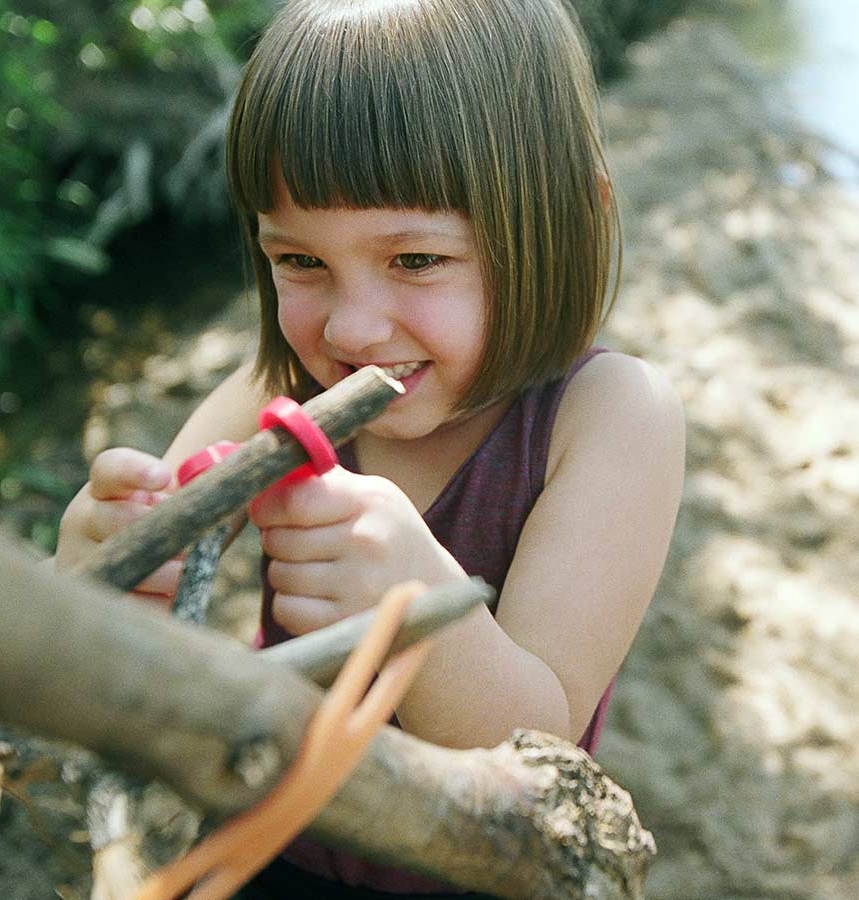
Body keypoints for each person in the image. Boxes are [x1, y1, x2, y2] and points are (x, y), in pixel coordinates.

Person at [55, 0, 685, 894]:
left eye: (417, 261)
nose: (351, 328)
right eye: (300, 262)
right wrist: (112, 573)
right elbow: (129, 618)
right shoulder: (278, 389)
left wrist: (418, 606)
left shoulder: (613, 416)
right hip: (263, 846)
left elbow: (536, 746)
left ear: (573, 218)